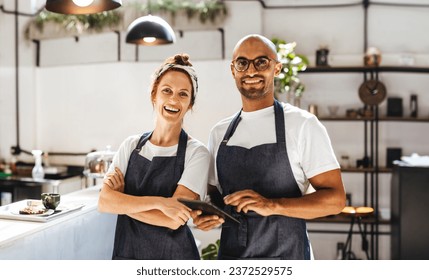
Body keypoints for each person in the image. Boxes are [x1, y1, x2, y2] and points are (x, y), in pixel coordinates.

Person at [192, 34, 346, 260]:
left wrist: (272, 205)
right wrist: (209, 213)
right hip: (233, 259)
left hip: (287, 258)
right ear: (233, 70)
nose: (251, 71)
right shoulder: (220, 133)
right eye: (242, 63)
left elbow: (335, 200)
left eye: (261, 62)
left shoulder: (303, 125)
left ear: (277, 68)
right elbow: (214, 195)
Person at [98, 54, 209, 260]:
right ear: (154, 95)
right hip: (128, 255)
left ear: (190, 104)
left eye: (183, 94)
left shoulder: (197, 153)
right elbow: (104, 202)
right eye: (166, 90)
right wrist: (160, 203)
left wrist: (123, 202)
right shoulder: (131, 146)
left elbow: (173, 220)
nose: (174, 100)